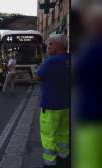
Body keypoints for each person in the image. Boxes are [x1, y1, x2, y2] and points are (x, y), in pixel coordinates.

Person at [33, 34, 71, 168]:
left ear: (60, 47)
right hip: (67, 106)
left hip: (51, 107)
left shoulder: (51, 61)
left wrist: (37, 70)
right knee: (64, 135)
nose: (47, 47)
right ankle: (64, 159)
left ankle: (49, 163)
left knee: (49, 137)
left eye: (51, 44)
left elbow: (36, 77)